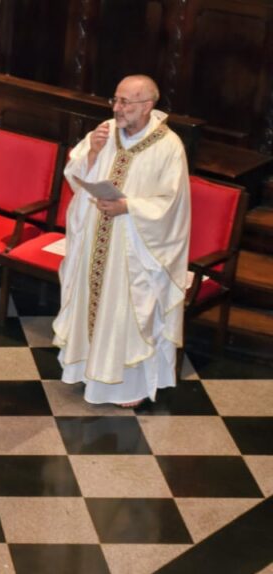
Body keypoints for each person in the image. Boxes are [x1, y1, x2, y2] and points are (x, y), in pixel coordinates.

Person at [53, 74, 190, 407]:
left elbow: (171, 205)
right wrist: (92, 153)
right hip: (95, 242)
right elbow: (75, 175)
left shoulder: (169, 147)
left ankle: (129, 387)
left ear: (148, 105)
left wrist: (127, 206)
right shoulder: (104, 132)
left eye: (125, 102)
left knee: (126, 313)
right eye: (115, 100)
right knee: (91, 303)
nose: (117, 108)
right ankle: (88, 370)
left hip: (134, 251)